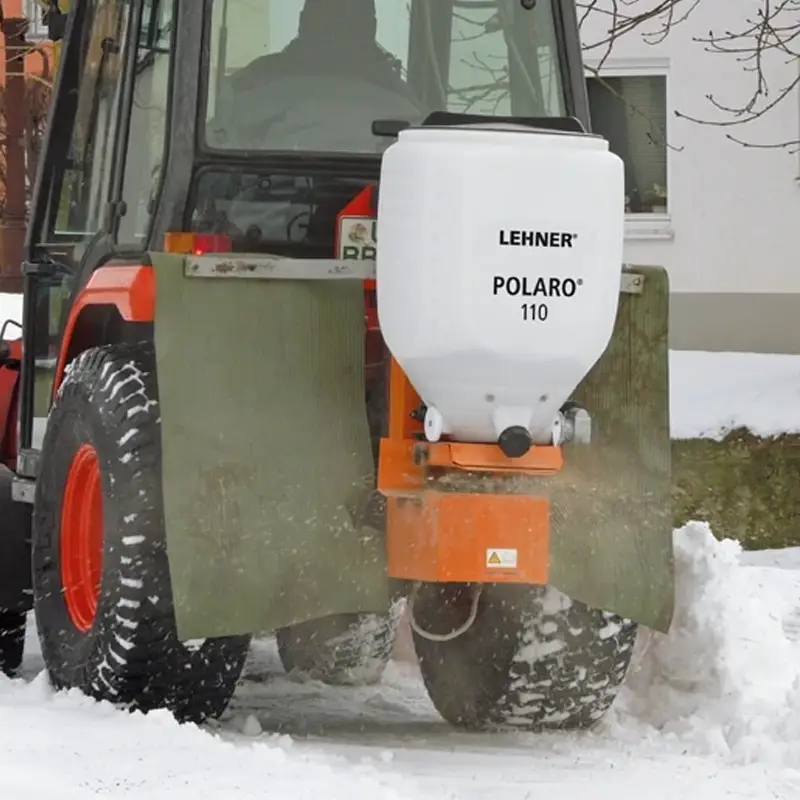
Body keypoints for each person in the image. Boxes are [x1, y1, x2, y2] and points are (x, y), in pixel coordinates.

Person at [208, 0, 425, 153]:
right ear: (372, 28)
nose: (337, 31)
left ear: (303, 21)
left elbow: (214, 145)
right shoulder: (404, 103)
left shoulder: (252, 85)